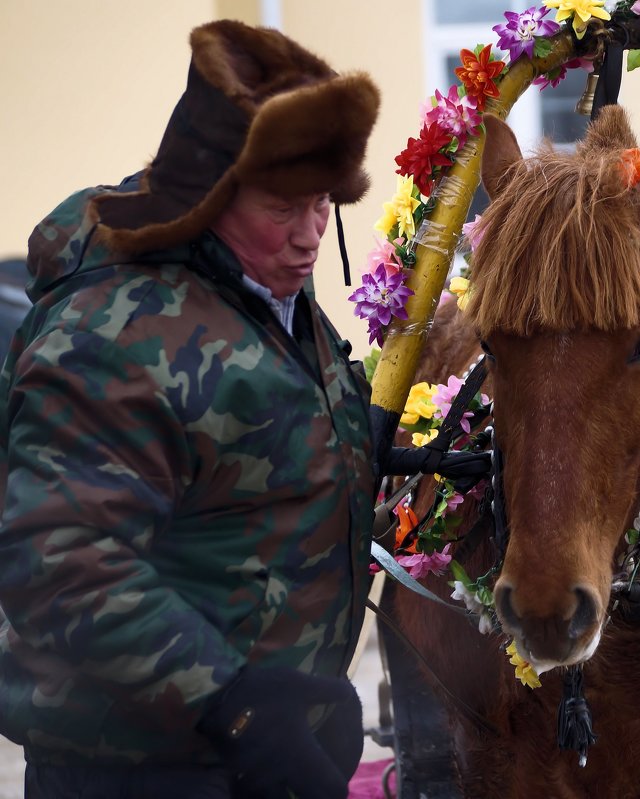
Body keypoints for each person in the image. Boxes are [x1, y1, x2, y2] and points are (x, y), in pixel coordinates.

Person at [0, 20, 382, 798]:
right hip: (141, 771)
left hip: (250, 759)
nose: (310, 236)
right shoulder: (115, 330)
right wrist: (235, 707)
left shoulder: (261, 286)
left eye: (323, 205)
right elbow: (58, 561)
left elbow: (244, 449)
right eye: (284, 206)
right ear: (210, 191)